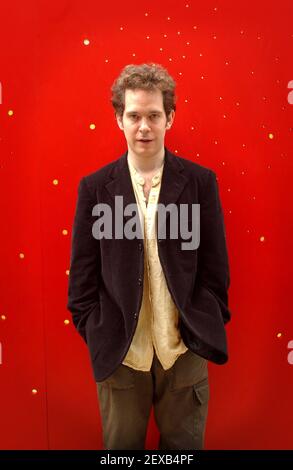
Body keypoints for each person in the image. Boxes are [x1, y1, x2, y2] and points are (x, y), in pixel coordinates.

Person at [67, 63, 231, 450]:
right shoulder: (94, 189)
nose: (144, 126)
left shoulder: (199, 183)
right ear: (118, 120)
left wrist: (203, 322)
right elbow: (82, 279)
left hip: (184, 352)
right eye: (134, 115)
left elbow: (216, 268)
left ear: (169, 118)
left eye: (153, 115)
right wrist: (97, 329)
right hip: (121, 356)